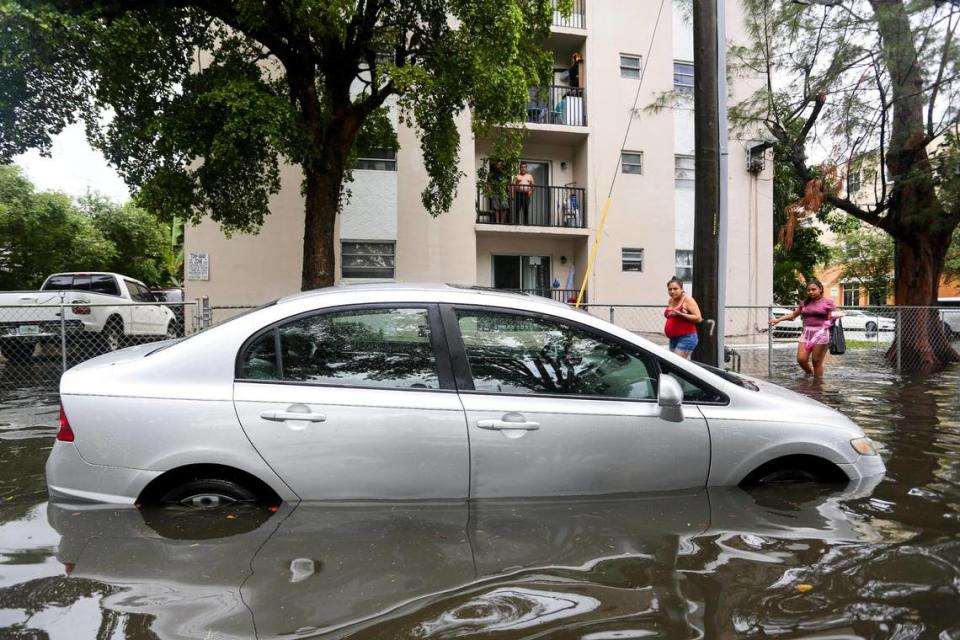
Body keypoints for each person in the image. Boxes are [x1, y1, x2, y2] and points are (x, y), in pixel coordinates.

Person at [769, 279, 836, 377]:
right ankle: (810, 374)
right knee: (801, 359)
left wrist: (833, 318)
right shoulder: (804, 303)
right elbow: (793, 315)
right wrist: (778, 320)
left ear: (820, 289)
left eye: (813, 289)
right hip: (806, 333)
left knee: (816, 361)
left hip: (821, 333)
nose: (811, 292)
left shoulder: (828, 303)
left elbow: (831, 319)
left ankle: (818, 384)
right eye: (808, 290)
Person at [664, 277, 702, 359]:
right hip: (673, 338)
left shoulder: (687, 299)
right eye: (670, 289)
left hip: (686, 338)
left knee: (676, 363)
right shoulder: (671, 300)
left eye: (675, 289)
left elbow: (698, 318)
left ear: (681, 289)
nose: (672, 291)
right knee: (675, 365)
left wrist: (681, 314)